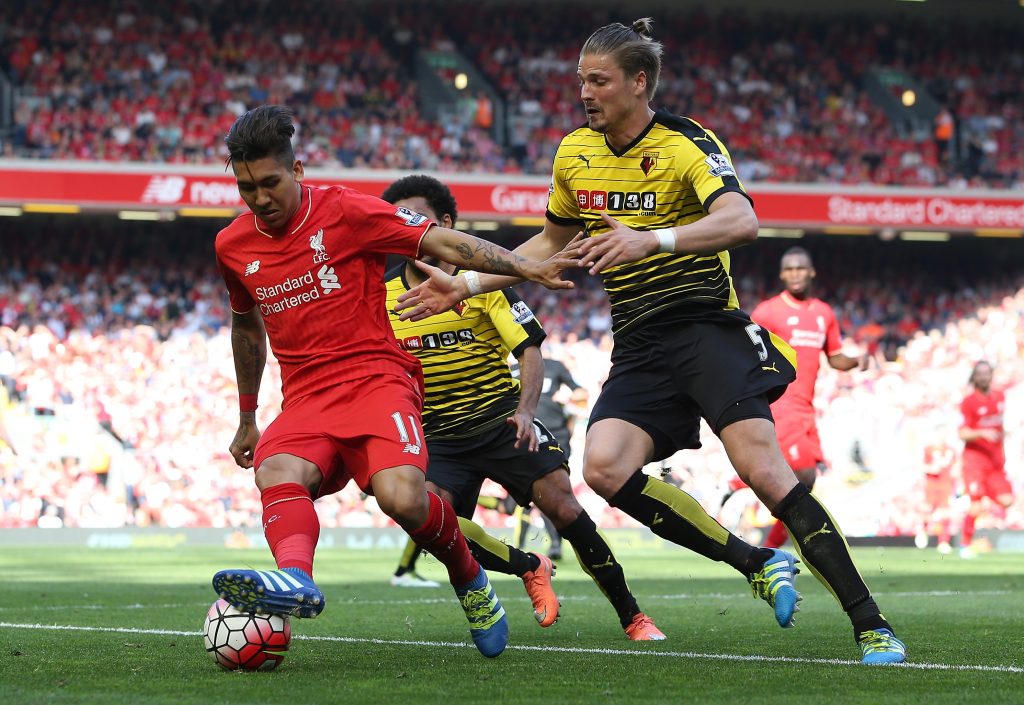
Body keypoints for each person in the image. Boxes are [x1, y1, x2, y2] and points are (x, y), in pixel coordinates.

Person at [394, 19, 905, 664]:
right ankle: (756, 562)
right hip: (638, 339)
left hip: (704, 326)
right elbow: (549, 244)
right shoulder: (574, 153)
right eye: (580, 79)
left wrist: (650, 238)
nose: (584, 92)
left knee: (764, 471)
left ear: (639, 83)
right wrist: (466, 283)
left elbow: (742, 220)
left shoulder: (689, 143)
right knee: (603, 468)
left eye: (598, 80)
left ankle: (871, 623)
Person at [209, 105, 577, 658]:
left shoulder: (346, 211)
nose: (260, 198)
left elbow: (444, 245)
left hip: (378, 377)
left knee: (403, 499)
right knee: (276, 469)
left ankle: (469, 577)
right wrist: (246, 415)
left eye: (269, 183)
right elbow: (246, 327)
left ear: (298, 170)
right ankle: (296, 580)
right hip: (306, 394)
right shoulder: (232, 246)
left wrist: (526, 268)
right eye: (246, 188)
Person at [381, 174, 664, 640]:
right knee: (426, 520)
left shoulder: (480, 283)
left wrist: (527, 412)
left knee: (565, 508)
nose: (408, 228)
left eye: (419, 218)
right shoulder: (381, 294)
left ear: (446, 223)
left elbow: (530, 349)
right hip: (438, 437)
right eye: (400, 221)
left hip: (500, 421)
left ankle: (633, 616)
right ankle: (529, 566)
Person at [749, 247, 869, 550]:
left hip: (807, 407)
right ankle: (770, 543)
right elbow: (747, 350)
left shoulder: (823, 313)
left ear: (811, 272)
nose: (795, 274)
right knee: (802, 475)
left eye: (800, 268)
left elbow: (835, 357)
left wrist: (857, 361)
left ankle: (771, 548)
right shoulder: (767, 311)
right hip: (782, 403)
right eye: (789, 269)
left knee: (807, 481)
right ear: (781, 274)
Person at [478, 351, 590, 561]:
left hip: (552, 434)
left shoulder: (554, 366)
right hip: (522, 433)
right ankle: (552, 544)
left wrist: (567, 401)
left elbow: (581, 394)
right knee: (530, 498)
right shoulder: (509, 369)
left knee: (541, 494)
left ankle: (542, 545)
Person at [958, 361, 1012, 559]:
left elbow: (1001, 427)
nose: (983, 377)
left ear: (991, 375)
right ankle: (965, 545)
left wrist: (1003, 452)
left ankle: (982, 495)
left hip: (995, 463)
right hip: (975, 462)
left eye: (986, 373)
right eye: (979, 374)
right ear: (974, 377)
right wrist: (982, 432)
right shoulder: (968, 402)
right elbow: (962, 433)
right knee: (975, 506)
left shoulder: (1000, 397)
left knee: (1007, 500)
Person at [916, 437, 956, 554]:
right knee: (927, 510)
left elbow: (955, 466)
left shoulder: (951, 450)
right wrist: (931, 468)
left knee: (945, 514)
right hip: (932, 485)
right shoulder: (928, 449)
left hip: (946, 485)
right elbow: (921, 465)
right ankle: (923, 531)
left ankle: (943, 542)